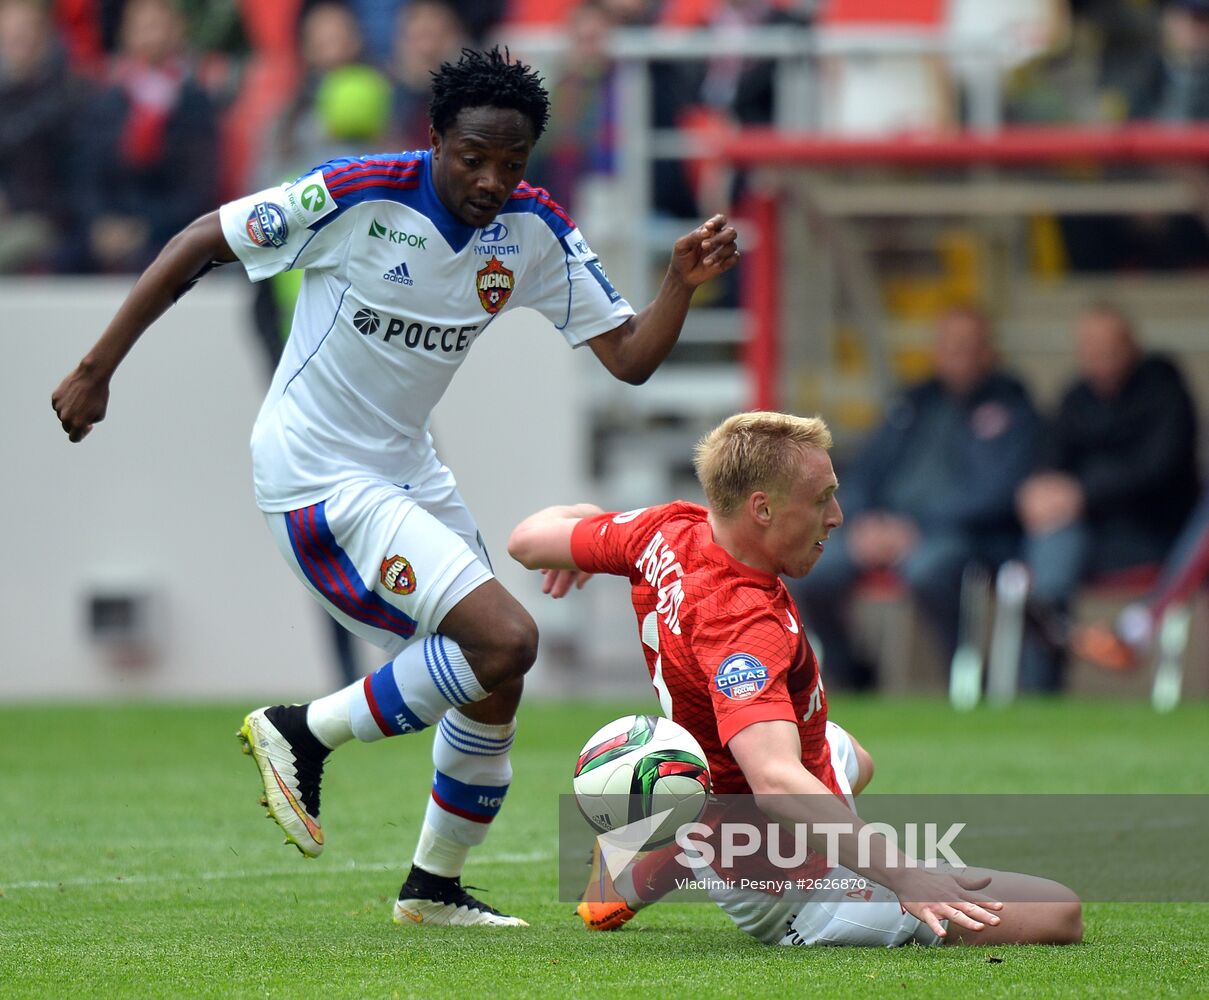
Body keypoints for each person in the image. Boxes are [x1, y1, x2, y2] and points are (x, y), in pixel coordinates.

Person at [51, 46, 738, 927]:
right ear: (435, 139)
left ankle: (434, 888)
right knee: (506, 638)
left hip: (408, 468)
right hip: (315, 470)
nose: (492, 179)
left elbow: (631, 358)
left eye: (512, 162)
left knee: (497, 675)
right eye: (473, 157)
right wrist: (95, 369)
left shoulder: (533, 230)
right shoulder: (355, 193)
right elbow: (197, 243)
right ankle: (302, 732)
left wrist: (678, 282)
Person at [507, 411, 1082, 948]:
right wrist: (908, 874)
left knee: (850, 754)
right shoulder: (741, 628)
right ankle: (696, 853)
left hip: (719, 783)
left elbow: (527, 540)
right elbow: (777, 785)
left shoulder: (666, 528)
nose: (836, 516)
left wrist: (587, 524)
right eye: (822, 499)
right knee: (1060, 910)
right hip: (791, 887)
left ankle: (658, 856)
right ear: (761, 509)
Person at [788, 305, 1038, 689]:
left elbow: (999, 493)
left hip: (959, 536)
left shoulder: (1012, 408)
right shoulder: (911, 403)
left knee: (927, 570)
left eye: (966, 347)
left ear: (988, 353)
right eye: (947, 346)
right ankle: (849, 669)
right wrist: (860, 520)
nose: (955, 356)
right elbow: (863, 471)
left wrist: (916, 528)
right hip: (885, 528)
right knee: (810, 568)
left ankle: (965, 676)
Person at [1016, 302, 1199, 690]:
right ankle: (1052, 638)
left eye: (1109, 349)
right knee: (1052, 532)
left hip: (1156, 530)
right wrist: (1039, 490)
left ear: (1131, 344)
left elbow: (1158, 467)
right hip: (1092, 536)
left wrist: (1081, 492)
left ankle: (1134, 630)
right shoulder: (1076, 397)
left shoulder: (1163, 389)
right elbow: (1050, 458)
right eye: (1091, 351)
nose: (1100, 361)